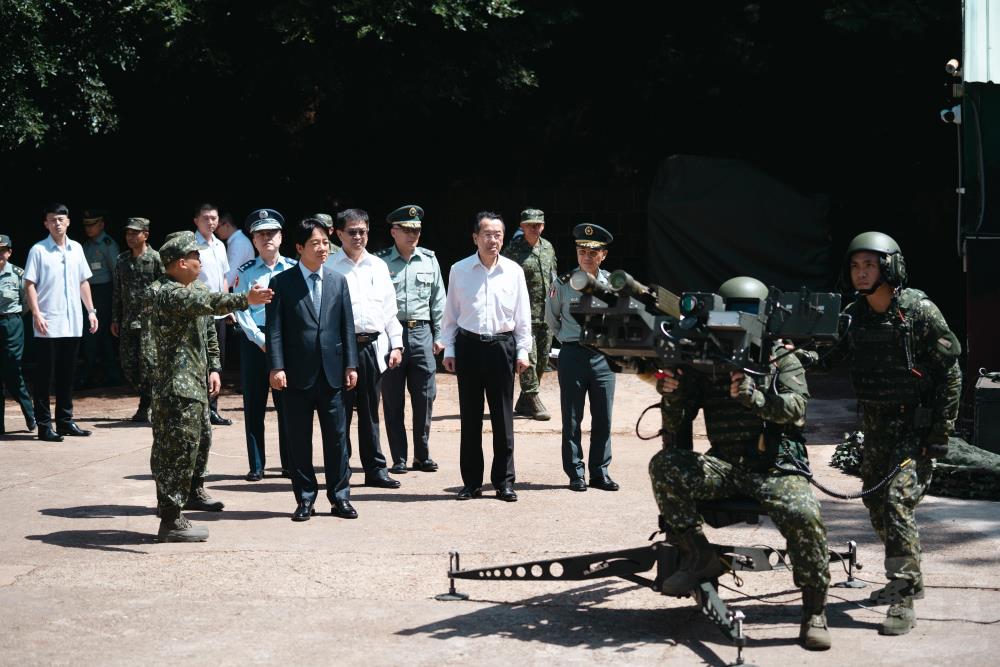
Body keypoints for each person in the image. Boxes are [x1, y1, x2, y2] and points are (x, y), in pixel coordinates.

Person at [649, 276, 832, 651]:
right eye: (733, 310)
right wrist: (672, 392)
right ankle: (698, 556)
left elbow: (796, 411)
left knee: (804, 513)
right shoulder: (708, 358)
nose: (740, 319)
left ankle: (815, 610)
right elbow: (677, 423)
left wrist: (757, 399)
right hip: (727, 467)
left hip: (776, 467)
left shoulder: (782, 356)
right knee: (665, 466)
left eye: (748, 311)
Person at [840, 232, 962, 636]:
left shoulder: (919, 311)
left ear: (890, 268)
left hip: (915, 427)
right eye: (856, 266)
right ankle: (911, 575)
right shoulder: (855, 314)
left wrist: (940, 431)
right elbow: (827, 354)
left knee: (896, 501)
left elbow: (951, 373)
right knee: (876, 504)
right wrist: (787, 353)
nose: (862, 273)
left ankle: (904, 594)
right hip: (876, 428)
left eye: (870, 265)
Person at [150, 232, 272, 542]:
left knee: (199, 440)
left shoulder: (196, 287)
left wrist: (215, 367)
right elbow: (210, 303)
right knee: (175, 451)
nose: (200, 261)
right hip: (175, 388)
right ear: (180, 263)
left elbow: (208, 333)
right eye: (195, 257)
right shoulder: (166, 292)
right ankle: (171, 520)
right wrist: (246, 299)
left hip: (195, 382)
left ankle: (193, 492)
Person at [267, 217, 359, 521]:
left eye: (325, 242)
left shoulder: (337, 281)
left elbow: (347, 326)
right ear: (298, 248)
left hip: (332, 373)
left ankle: (340, 497)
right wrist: (276, 366)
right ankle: (305, 498)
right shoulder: (282, 283)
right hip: (295, 375)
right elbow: (275, 330)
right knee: (299, 440)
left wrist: (351, 364)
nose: (322, 249)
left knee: (337, 438)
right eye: (315, 243)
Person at [441, 211, 531, 502]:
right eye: (487, 235)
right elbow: (450, 316)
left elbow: (523, 317)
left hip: (501, 348)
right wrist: (450, 350)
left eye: (498, 235)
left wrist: (523, 351)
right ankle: (471, 483)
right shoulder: (459, 270)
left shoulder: (514, 271)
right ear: (475, 237)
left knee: (503, 419)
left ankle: (504, 482)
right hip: (469, 347)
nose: (493, 240)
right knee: (470, 419)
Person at [329, 209, 404, 488]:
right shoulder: (331, 267)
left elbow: (389, 311)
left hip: (372, 347)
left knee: (371, 412)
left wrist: (396, 344)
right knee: (341, 414)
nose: (358, 237)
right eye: (352, 232)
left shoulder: (378, 266)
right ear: (339, 234)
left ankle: (375, 469)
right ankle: (341, 470)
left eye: (363, 231)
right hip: (341, 349)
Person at [545, 223, 618, 492]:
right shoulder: (562, 284)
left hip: (603, 356)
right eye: (582, 251)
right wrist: (568, 340)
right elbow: (551, 319)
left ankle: (600, 472)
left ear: (603, 255)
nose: (586, 256)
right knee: (572, 417)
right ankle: (576, 473)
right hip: (573, 354)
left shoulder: (613, 284)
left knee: (604, 417)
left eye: (593, 252)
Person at [374, 205, 446, 474]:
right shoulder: (380, 262)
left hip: (422, 332)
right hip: (392, 333)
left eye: (416, 229)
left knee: (425, 397)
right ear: (394, 231)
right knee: (393, 399)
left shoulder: (429, 260)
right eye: (406, 229)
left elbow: (439, 300)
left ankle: (422, 454)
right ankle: (399, 457)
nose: (412, 234)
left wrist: (440, 335)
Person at [23, 203, 99, 442]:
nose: (57, 223)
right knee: (45, 376)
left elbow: (83, 282)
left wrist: (91, 311)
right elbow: (29, 284)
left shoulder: (76, 249)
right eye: (52, 220)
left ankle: (65, 421)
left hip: (73, 321)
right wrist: (36, 313)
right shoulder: (38, 250)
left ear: (68, 222)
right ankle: (44, 425)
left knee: (68, 374)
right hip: (48, 322)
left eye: (61, 219)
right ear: (46, 223)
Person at [234, 209, 296, 481]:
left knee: (288, 405)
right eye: (260, 234)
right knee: (254, 405)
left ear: (281, 237)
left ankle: (289, 462)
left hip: (285, 342)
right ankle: (257, 465)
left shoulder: (294, 268)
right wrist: (260, 340)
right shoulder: (245, 272)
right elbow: (239, 309)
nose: (266, 238)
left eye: (271, 233)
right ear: (253, 240)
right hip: (254, 343)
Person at [502, 208, 557, 420]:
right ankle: (533, 398)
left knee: (543, 360)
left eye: (538, 225)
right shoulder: (513, 250)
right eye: (530, 225)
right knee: (529, 359)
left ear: (543, 226)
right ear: (522, 226)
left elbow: (554, 277)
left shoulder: (548, 248)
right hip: (524, 315)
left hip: (546, 315)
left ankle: (524, 401)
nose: (534, 228)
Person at [111, 218, 164, 422]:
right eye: (128, 233)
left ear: (145, 235)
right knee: (128, 364)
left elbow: (166, 288)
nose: (130, 237)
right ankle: (148, 398)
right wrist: (115, 317)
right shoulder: (122, 260)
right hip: (128, 321)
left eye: (135, 233)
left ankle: (148, 405)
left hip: (150, 322)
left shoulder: (157, 259)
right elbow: (117, 291)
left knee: (149, 364)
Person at [192, 203, 233, 426]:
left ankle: (213, 408)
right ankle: (200, 409)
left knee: (218, 361)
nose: (210, 222)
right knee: (201, 361)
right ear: (196, 221)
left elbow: (224, 279)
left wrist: (227, 306)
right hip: (199, 312)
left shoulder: (220, 245)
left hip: (217, 313)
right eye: (206, 218)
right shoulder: (191, 245)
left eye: (214, 218)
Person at [78, 209, 122, 388]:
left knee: (92, 335)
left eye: (93, 224)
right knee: (101, 337)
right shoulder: (86, 246)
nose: (89, 228)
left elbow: (116, 273)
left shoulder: (108, 245)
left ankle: (85, 376)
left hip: (104, 292)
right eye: (86, 225)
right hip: (89, 292)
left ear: (101, 224)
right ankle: (111, 375)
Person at [0, 234, 36, 434]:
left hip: (11, 322)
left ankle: (29, 414)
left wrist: (11, 317)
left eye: (2, 250)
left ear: (9, 252)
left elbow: (26, 303)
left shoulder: (19, 273)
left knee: (12, 369)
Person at [215, 211, 254, 287]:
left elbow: (230, 276)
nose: (215, 232)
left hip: (242, 291)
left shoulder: (238, 242)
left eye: (217, 228)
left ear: (226, 225)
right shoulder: (237, 240)